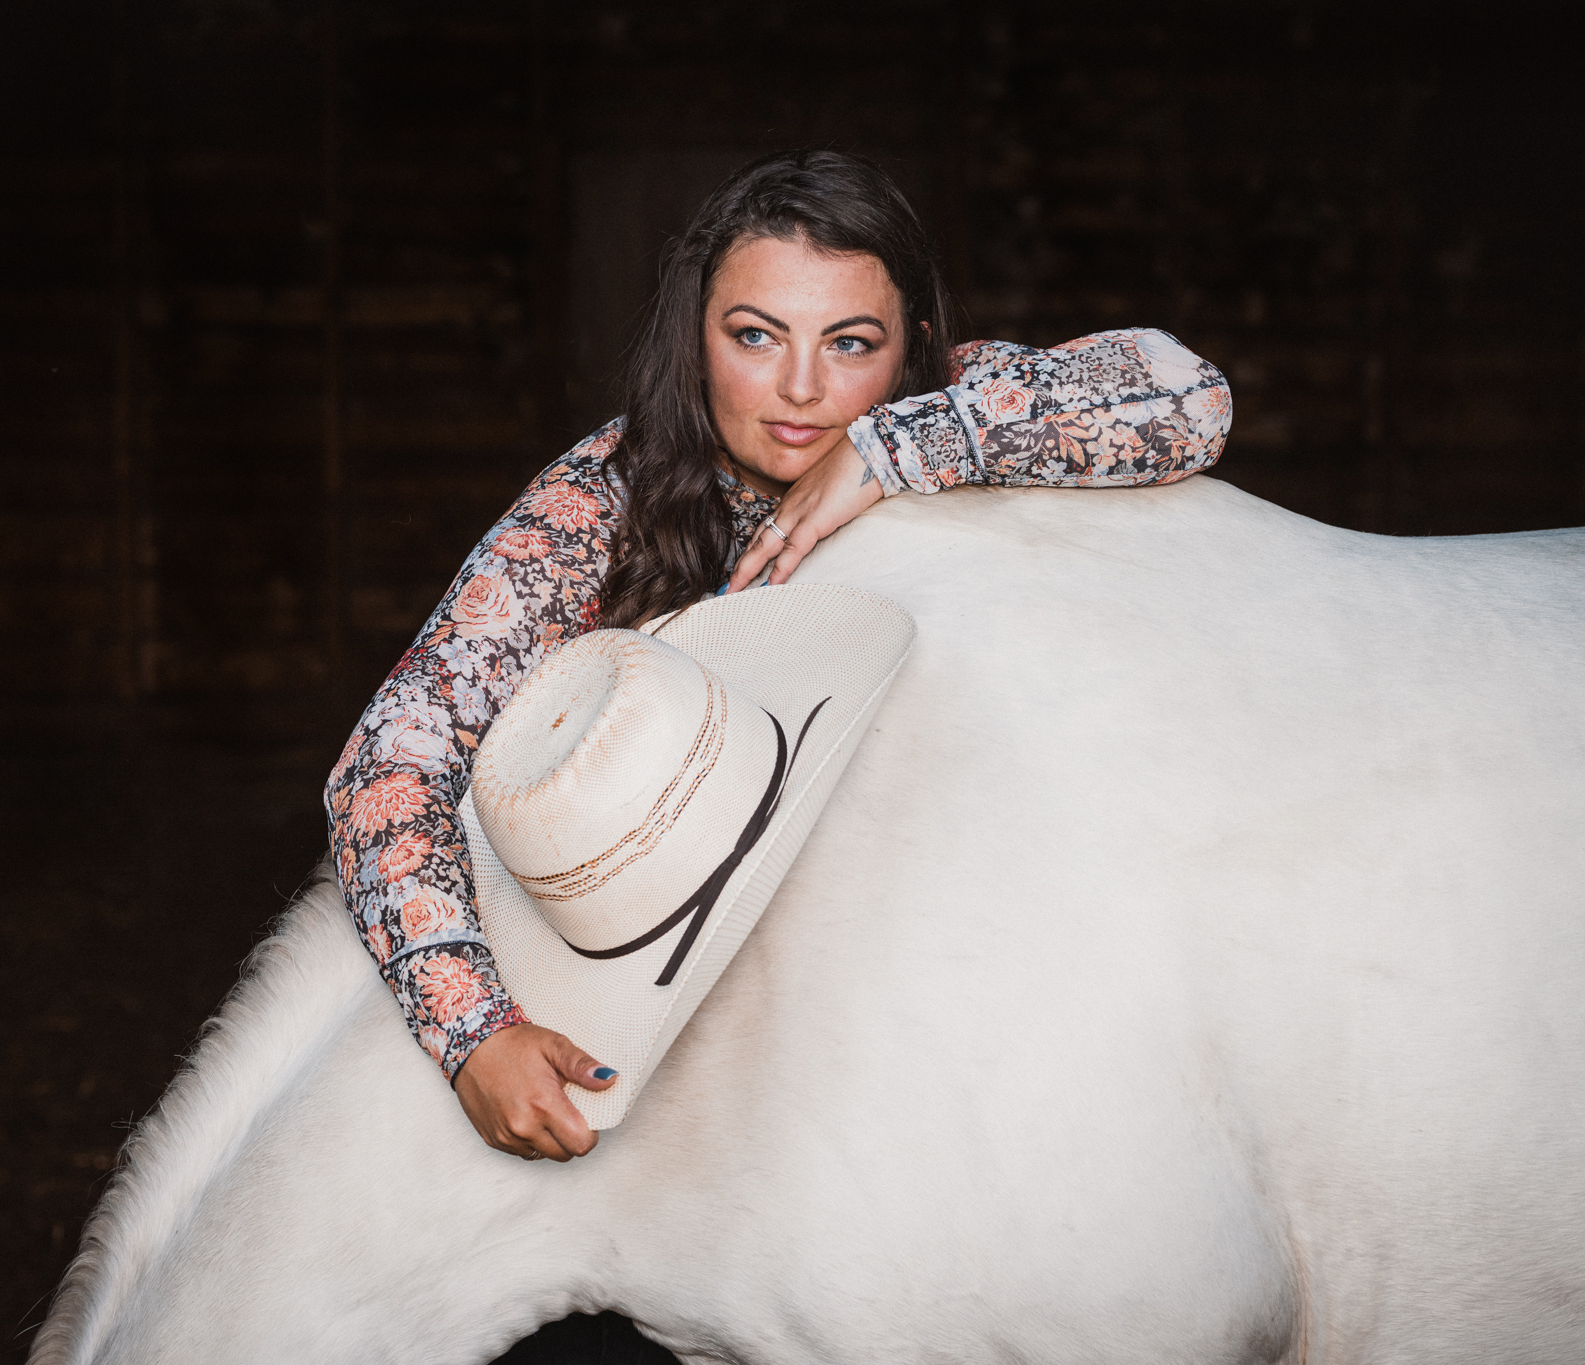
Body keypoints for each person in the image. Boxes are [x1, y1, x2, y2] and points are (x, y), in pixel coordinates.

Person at [323, 149, 1232, 1164]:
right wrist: (474, 1034)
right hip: (686, 1004)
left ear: (911, 346)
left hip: (963, 967)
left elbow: (1186, 394)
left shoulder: (952, 403)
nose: (801, 389)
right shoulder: (596, 504)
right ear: (695, 336)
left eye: (850, 342)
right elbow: (386, 763)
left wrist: (894, 450)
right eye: (754, 336)